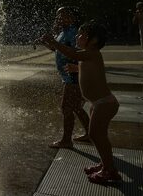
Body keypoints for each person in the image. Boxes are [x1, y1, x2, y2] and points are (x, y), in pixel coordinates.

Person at [40, 21, 121, 184]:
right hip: (98, 103)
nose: (77, 36)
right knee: (99, 136)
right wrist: (76, 69)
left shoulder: (92, 53)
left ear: (94, 40)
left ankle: (110, 171)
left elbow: (73, 54)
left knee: (96, 135)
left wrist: (56, 43)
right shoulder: (88, 54)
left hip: (104, 103)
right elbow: (85, 63)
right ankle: (105, 163)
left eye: (81, 34)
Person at [36, 7, 90, 148]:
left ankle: (66, 140)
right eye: (58, 16)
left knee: (66, 107)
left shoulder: (73, 33)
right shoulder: (63, 32)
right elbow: (58, 49)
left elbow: (76, 52)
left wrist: (53, 42)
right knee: (77, 107)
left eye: (63, 15)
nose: (59, 18)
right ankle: (90, 133)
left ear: (71, 17)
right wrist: (48, 44)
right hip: (68, 75)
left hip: (73, 76)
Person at [133, 2, 143, 68]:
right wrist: (135, 16)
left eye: (140, 7)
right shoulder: (138, 13)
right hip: (142, 33)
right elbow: (134, 23)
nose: (139, 9)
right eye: (138, 7)